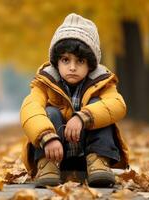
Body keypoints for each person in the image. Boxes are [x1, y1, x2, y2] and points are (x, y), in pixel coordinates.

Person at [20, 13, 129, 188]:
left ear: (90, 64)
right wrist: (47, 137)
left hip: (86, 156)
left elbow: (117, 105)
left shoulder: (102, 82)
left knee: (99, 108)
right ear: (56, 62)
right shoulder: (44, 83)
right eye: (65, 60)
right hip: (54, 152)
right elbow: (29, 109)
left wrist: (83, 117)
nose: (72, 67)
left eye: (80, 61)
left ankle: (99, 163)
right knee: (51, 112)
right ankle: (47, 166)